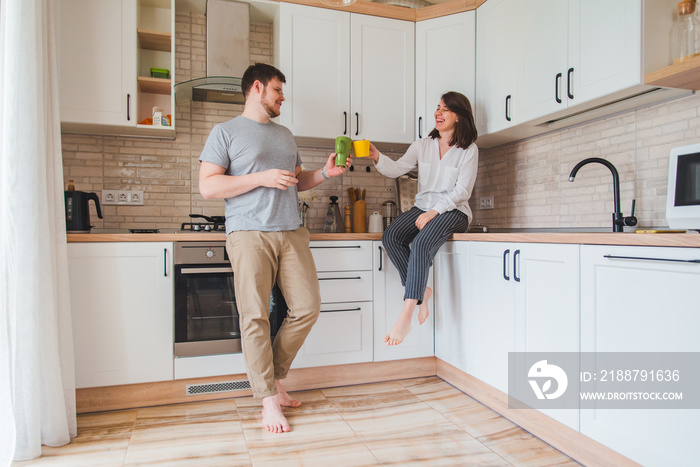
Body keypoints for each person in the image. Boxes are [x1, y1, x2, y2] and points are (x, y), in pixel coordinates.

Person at [198, 63, 351, 433]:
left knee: (307, 308)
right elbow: (209, 187)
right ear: (256, 88)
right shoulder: (225, 132)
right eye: (278, 90)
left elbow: (297, 182)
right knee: (255, 317)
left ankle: (275, 377)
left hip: (291, 231)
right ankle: (268, 400)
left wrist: (325, 174)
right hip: (249, 233)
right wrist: (261, 178)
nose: (283, 97)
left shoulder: (284, 135)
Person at [368, 91, 478, 346]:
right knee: (391, 236)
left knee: (419, 244)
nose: (437, 113)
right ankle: (422, 293)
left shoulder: (468, 150)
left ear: (459, 117)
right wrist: (376, 156)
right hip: (423, 207)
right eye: (437, 108)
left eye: (445, 109)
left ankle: (406, 315)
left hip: (454, 211)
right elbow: (397, 168)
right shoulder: (423, 144)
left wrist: (434, 211)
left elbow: (462, 191)